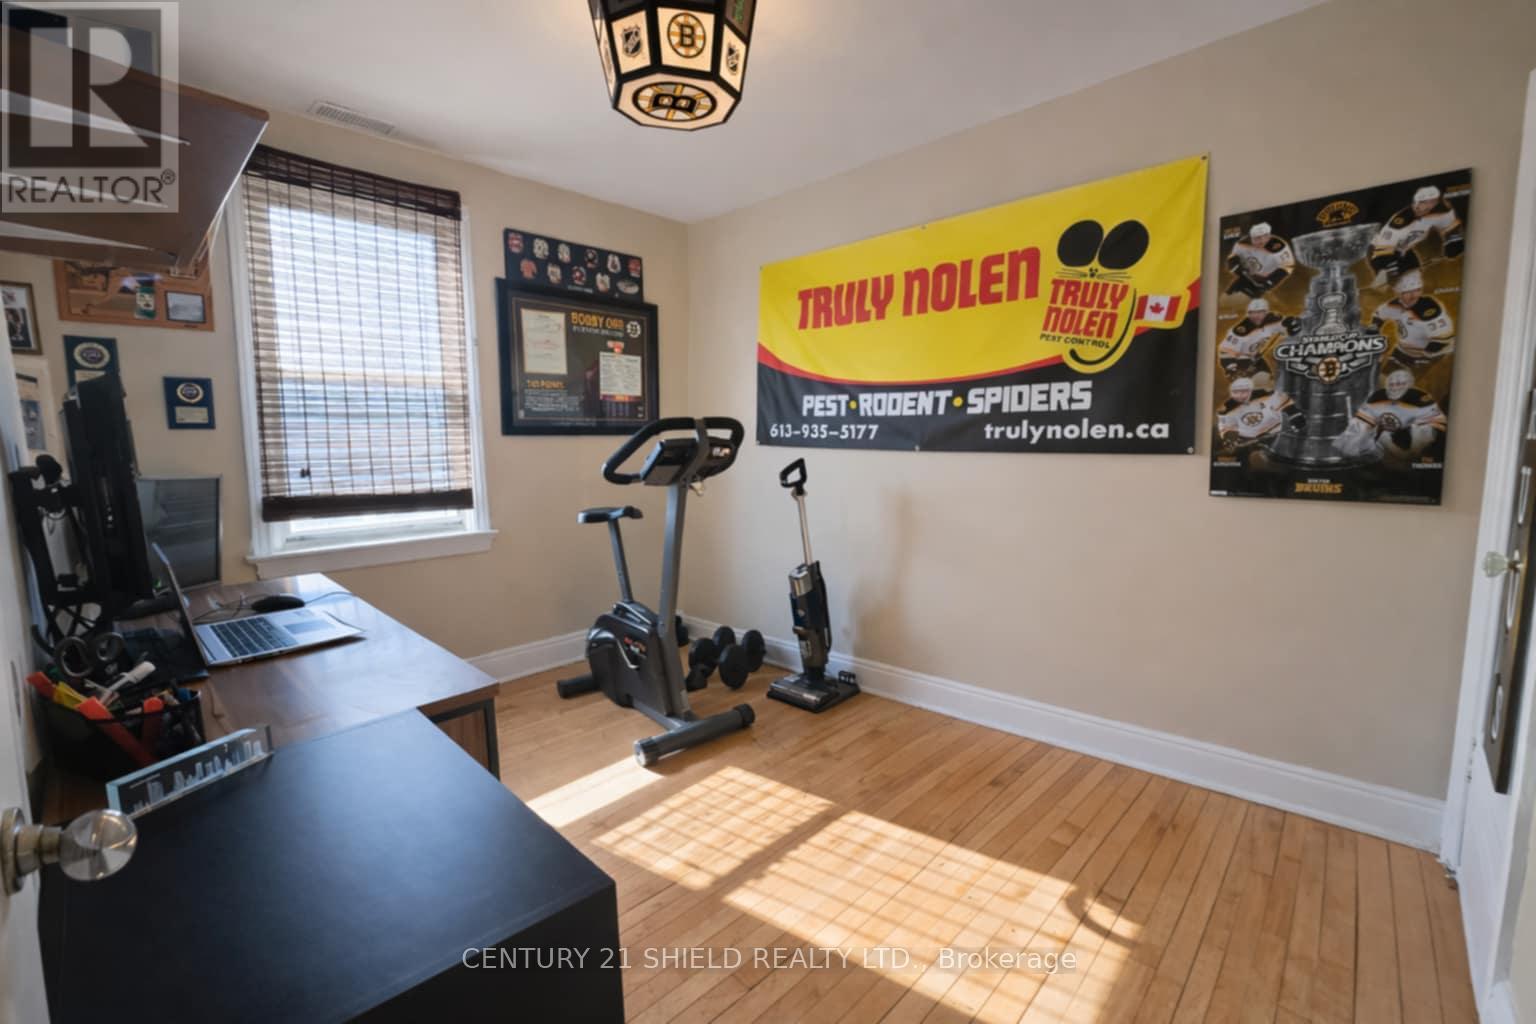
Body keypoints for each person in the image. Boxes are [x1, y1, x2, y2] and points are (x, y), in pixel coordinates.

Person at [1334, 368, 1446, 463]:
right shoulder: (1376, 396)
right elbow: (1361, 424)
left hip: (1411, 441)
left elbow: (1433, 427)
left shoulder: (1420, 399)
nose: (1395, 388)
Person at [1369, 185, 1464, 284]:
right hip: (1378, 251)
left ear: (1435, 202)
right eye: (1419, 202)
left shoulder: (1441, 211)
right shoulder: (1400, 222)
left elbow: (1450, 226)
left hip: (1403, 250)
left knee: (1415, 278)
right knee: (1394, 282)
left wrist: (1453, 240)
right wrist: (1386, 267)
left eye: (1426, 202)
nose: (1418, 206)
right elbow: (1381, 249)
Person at [1369, 270, 1455, 368]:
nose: (1413, 295)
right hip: (1402, 352)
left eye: (1417, 290)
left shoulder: (1429, 308)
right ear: (1398, 293)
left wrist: (1424, 354)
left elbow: (1443, 341)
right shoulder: (1394, 305)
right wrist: (1373, 332)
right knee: (1385, 375)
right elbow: (1379, 315)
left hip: (1432, 356)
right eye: (1407, 292)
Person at [1217, 377, 1304, 466]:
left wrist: (1294, 414)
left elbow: (1284, 402)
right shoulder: (1228, 411)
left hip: (1275, 430)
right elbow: (1227, 428)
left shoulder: (1266, 396)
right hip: (1255, 437)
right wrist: (1230, 437)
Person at [1218, 298, 1302, 386]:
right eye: (1252, 313)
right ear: (1248, 314)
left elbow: (1284, 325)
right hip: (1240, 359)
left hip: (1256, 357)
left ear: (1266, 312)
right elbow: (1225, 350)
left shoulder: (1271, 320)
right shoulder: (1241, 330)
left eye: (1259, 312)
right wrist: (1231, 368)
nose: (1256, 316)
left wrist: (1291, 324)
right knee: (1261, 382)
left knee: (1269, 383)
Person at [1225, 222, 1295, 297]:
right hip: (1247, 276)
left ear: (1269, 235)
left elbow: (1288, 266)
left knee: (1253, 296)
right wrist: (1233, 263)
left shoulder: (1278, 246)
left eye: (1265, 236)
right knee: (1229, 294)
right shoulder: (1242, 242)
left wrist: (1271, 281)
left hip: (1264, 279)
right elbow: (1233, 256)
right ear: (1251, 237)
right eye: (1257, 238)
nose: (1261, 241)